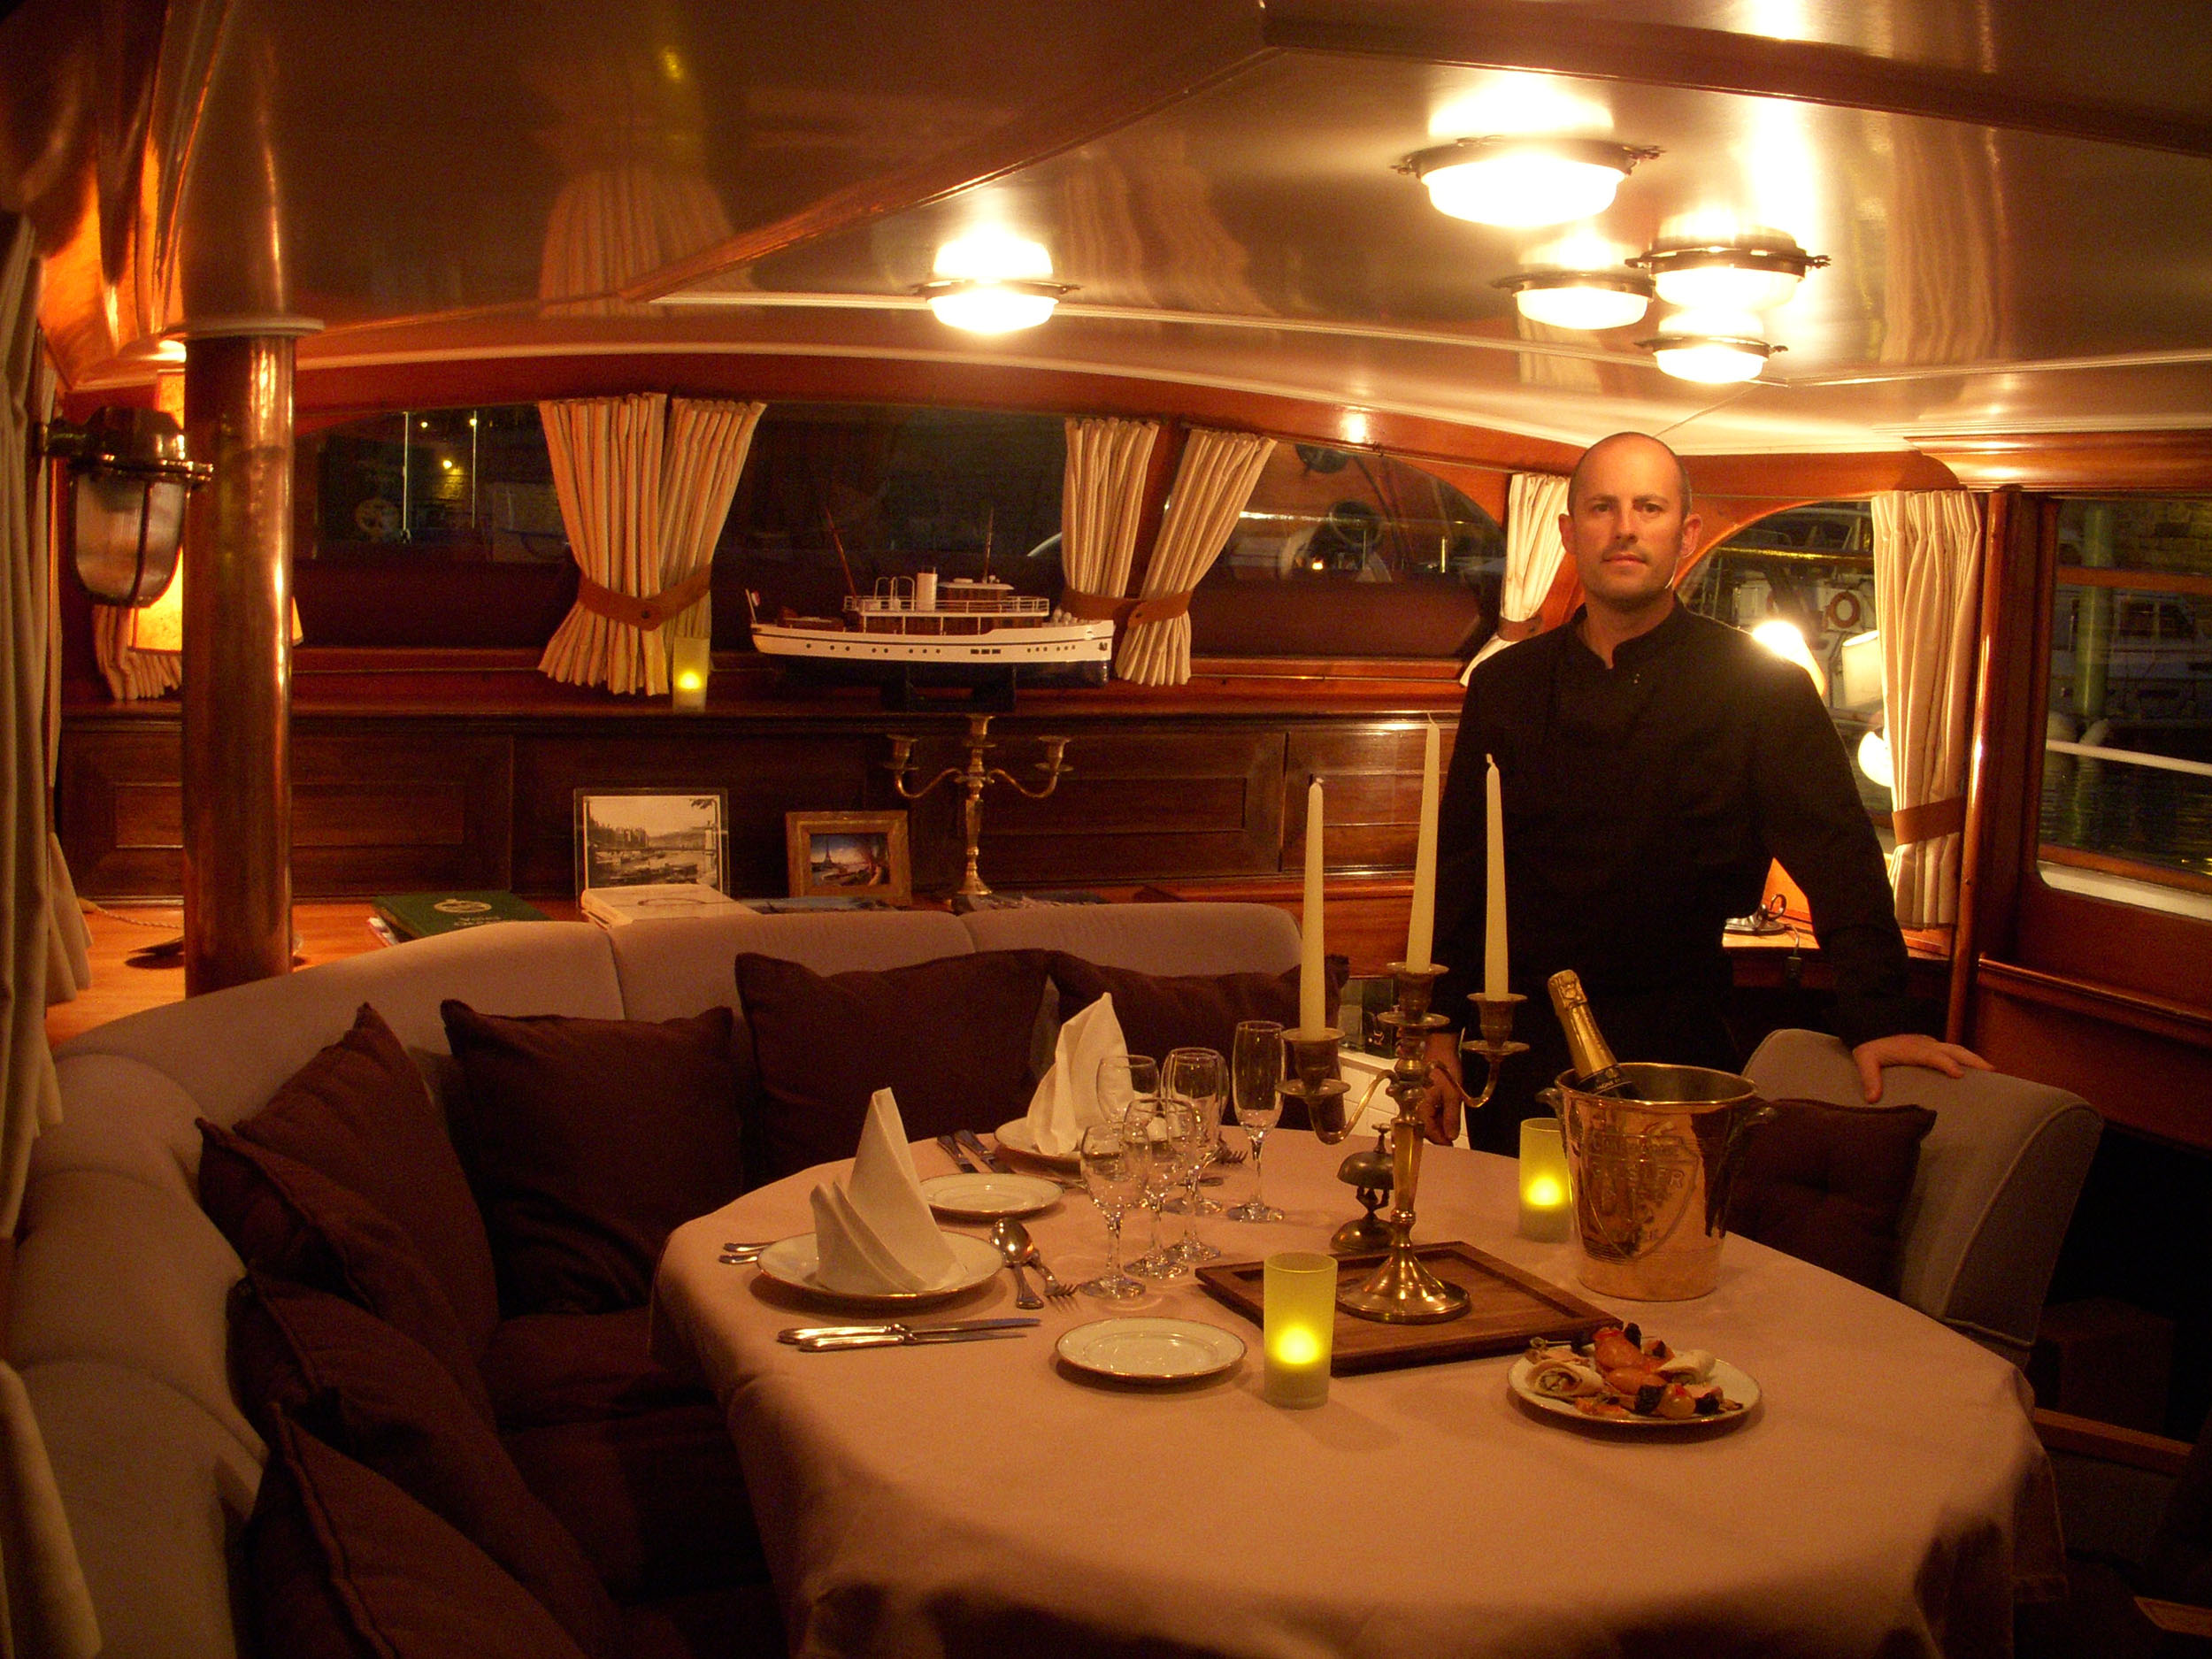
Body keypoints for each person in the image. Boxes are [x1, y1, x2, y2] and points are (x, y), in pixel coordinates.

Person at [1420, 431, 1984, 1150]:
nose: (1625, 528)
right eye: (1603, 508)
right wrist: (1437, 1033)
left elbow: (1841, 858)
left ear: (1685, 535)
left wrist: (1880, 1018)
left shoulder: (1763, 688)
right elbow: (1462, 874)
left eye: (1648, 508)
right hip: (1517, 1042)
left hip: (1678, 1042)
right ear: (1568, 532)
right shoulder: (1505, 685)